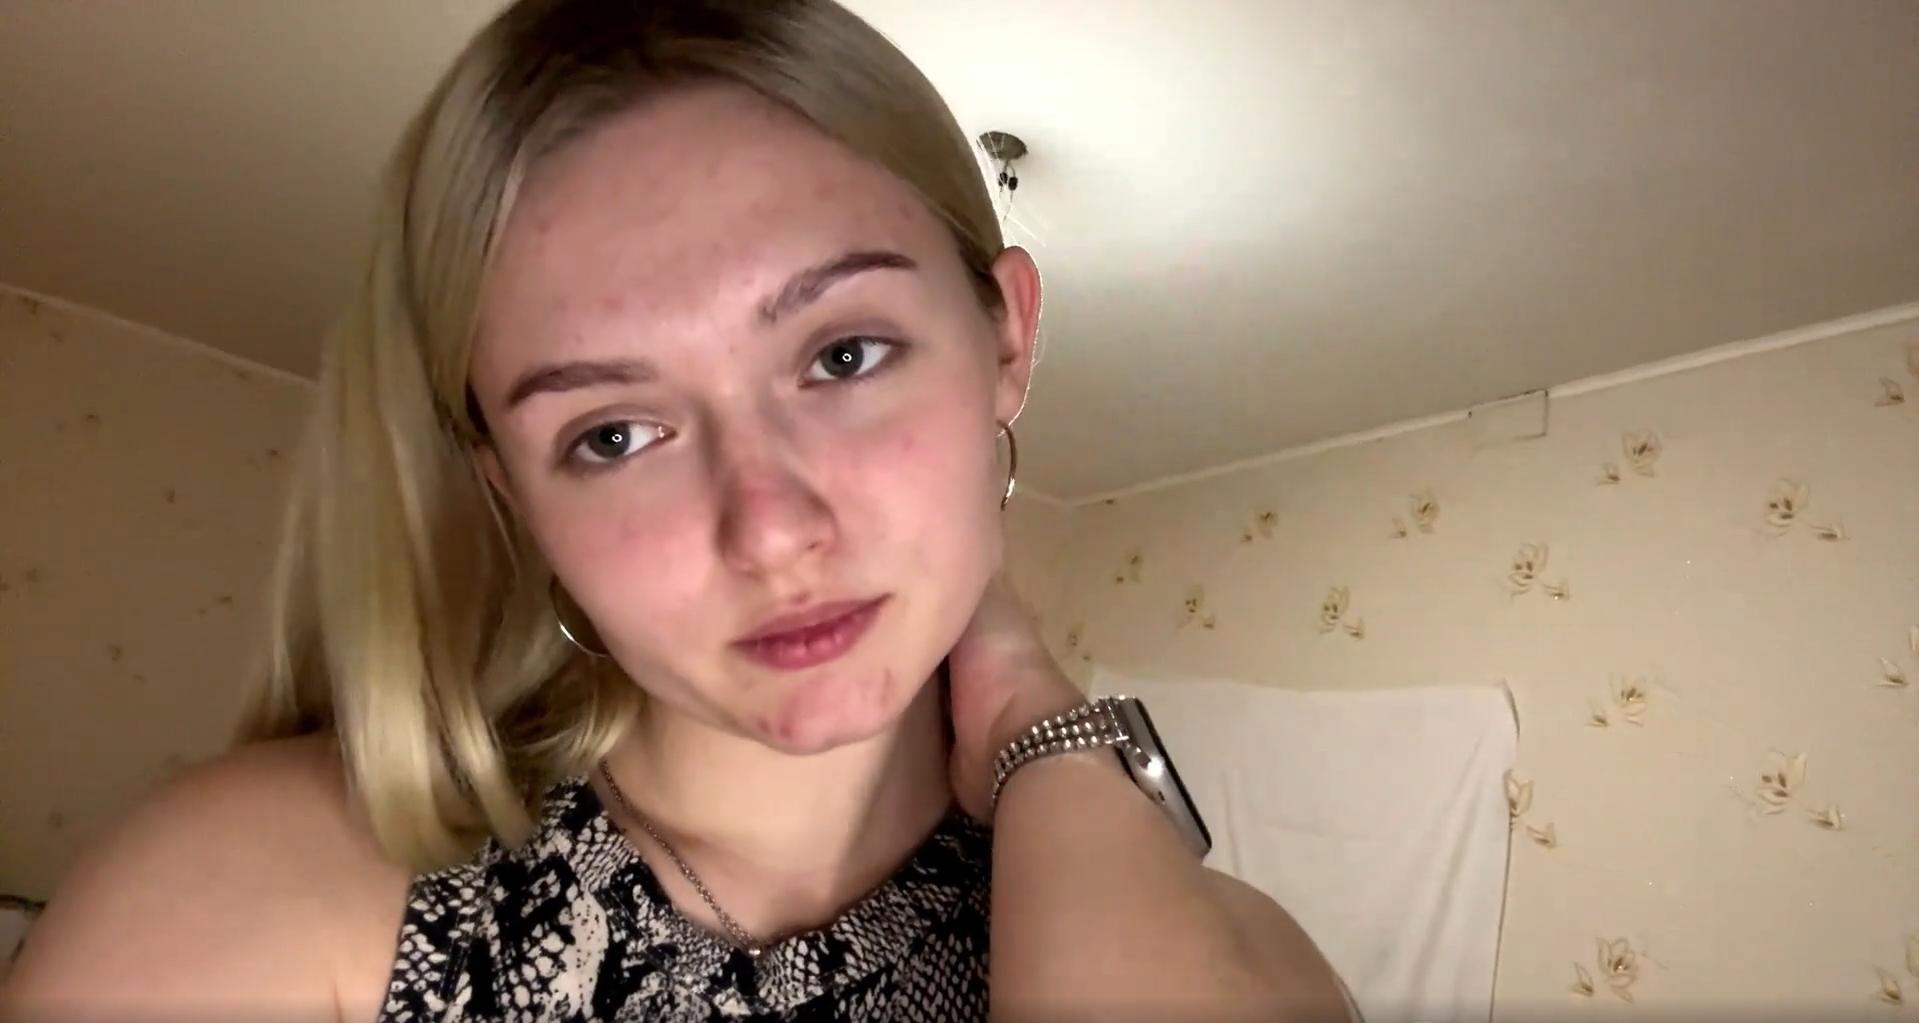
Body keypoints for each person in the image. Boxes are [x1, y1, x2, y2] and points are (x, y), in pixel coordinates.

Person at [1, 1, 1351, 1019]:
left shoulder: (1245, 959)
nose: (770, 530)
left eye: (842, 355)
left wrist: (1044, 742)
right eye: (615, 434)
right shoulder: (256, 900)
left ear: (1007, 338)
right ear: (511, 488)